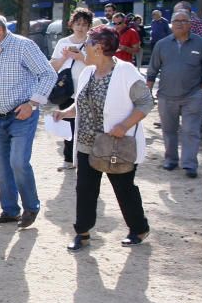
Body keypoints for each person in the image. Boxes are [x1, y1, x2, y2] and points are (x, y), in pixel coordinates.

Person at [52, 26, 154, 251]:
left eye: (86, 45)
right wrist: (65, 112)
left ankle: (139, 228)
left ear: (98, 48)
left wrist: (124, 125)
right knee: (85, 188)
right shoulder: (88, 72)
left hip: (115, 144)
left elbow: (146, 102)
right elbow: (81, 104)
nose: (83, 50)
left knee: (123, 186)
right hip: (87, 142)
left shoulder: (126, 72)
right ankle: (82, 232)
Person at [0, 13, 57, 229]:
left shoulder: (24, 46)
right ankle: (9, 210)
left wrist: (32, 103)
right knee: (3, 166)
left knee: (18, 162)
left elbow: (48, 74)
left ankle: (31, 207)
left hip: (21, 116)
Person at [146, 12, 202, 178]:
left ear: (190, 24)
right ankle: (171, 160)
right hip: (166, 95)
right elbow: (152, 69)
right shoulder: (162, 44)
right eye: (176, 21)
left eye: (184, 21)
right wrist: (148, 91)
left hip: (192, 95)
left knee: (190, 130)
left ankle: (189, 164)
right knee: (169, 130)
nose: (180, 24)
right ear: (171, 24)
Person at [49, 7, 92, 171]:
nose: (80, 27)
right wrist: (65, 56)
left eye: (84, 24)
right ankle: (68, 158)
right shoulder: (63, 42)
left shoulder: (92, 41)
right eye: (78, 23)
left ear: (89, 26)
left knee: (85, 125)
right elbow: (53, 66)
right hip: (66, 89)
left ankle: (84, 158)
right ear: (71, 24)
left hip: (86, 87)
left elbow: (98, 65)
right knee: (68, 124)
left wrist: (80, 57)